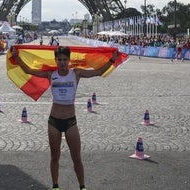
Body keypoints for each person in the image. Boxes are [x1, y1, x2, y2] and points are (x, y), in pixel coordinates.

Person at [12, 46, 118, 190]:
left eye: (64, 59)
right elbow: (28, 70)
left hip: (70, 122)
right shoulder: (51, 74)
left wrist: (112, 59)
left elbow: (98, 72)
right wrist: (16, 57)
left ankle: (82, 187)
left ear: (69, 60)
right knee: (55, 157)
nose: (62, 62)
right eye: (59, 59)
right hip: (54, 121)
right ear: (55, 60)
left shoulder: (76, 73)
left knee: (77, 158)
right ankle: (55, 186)